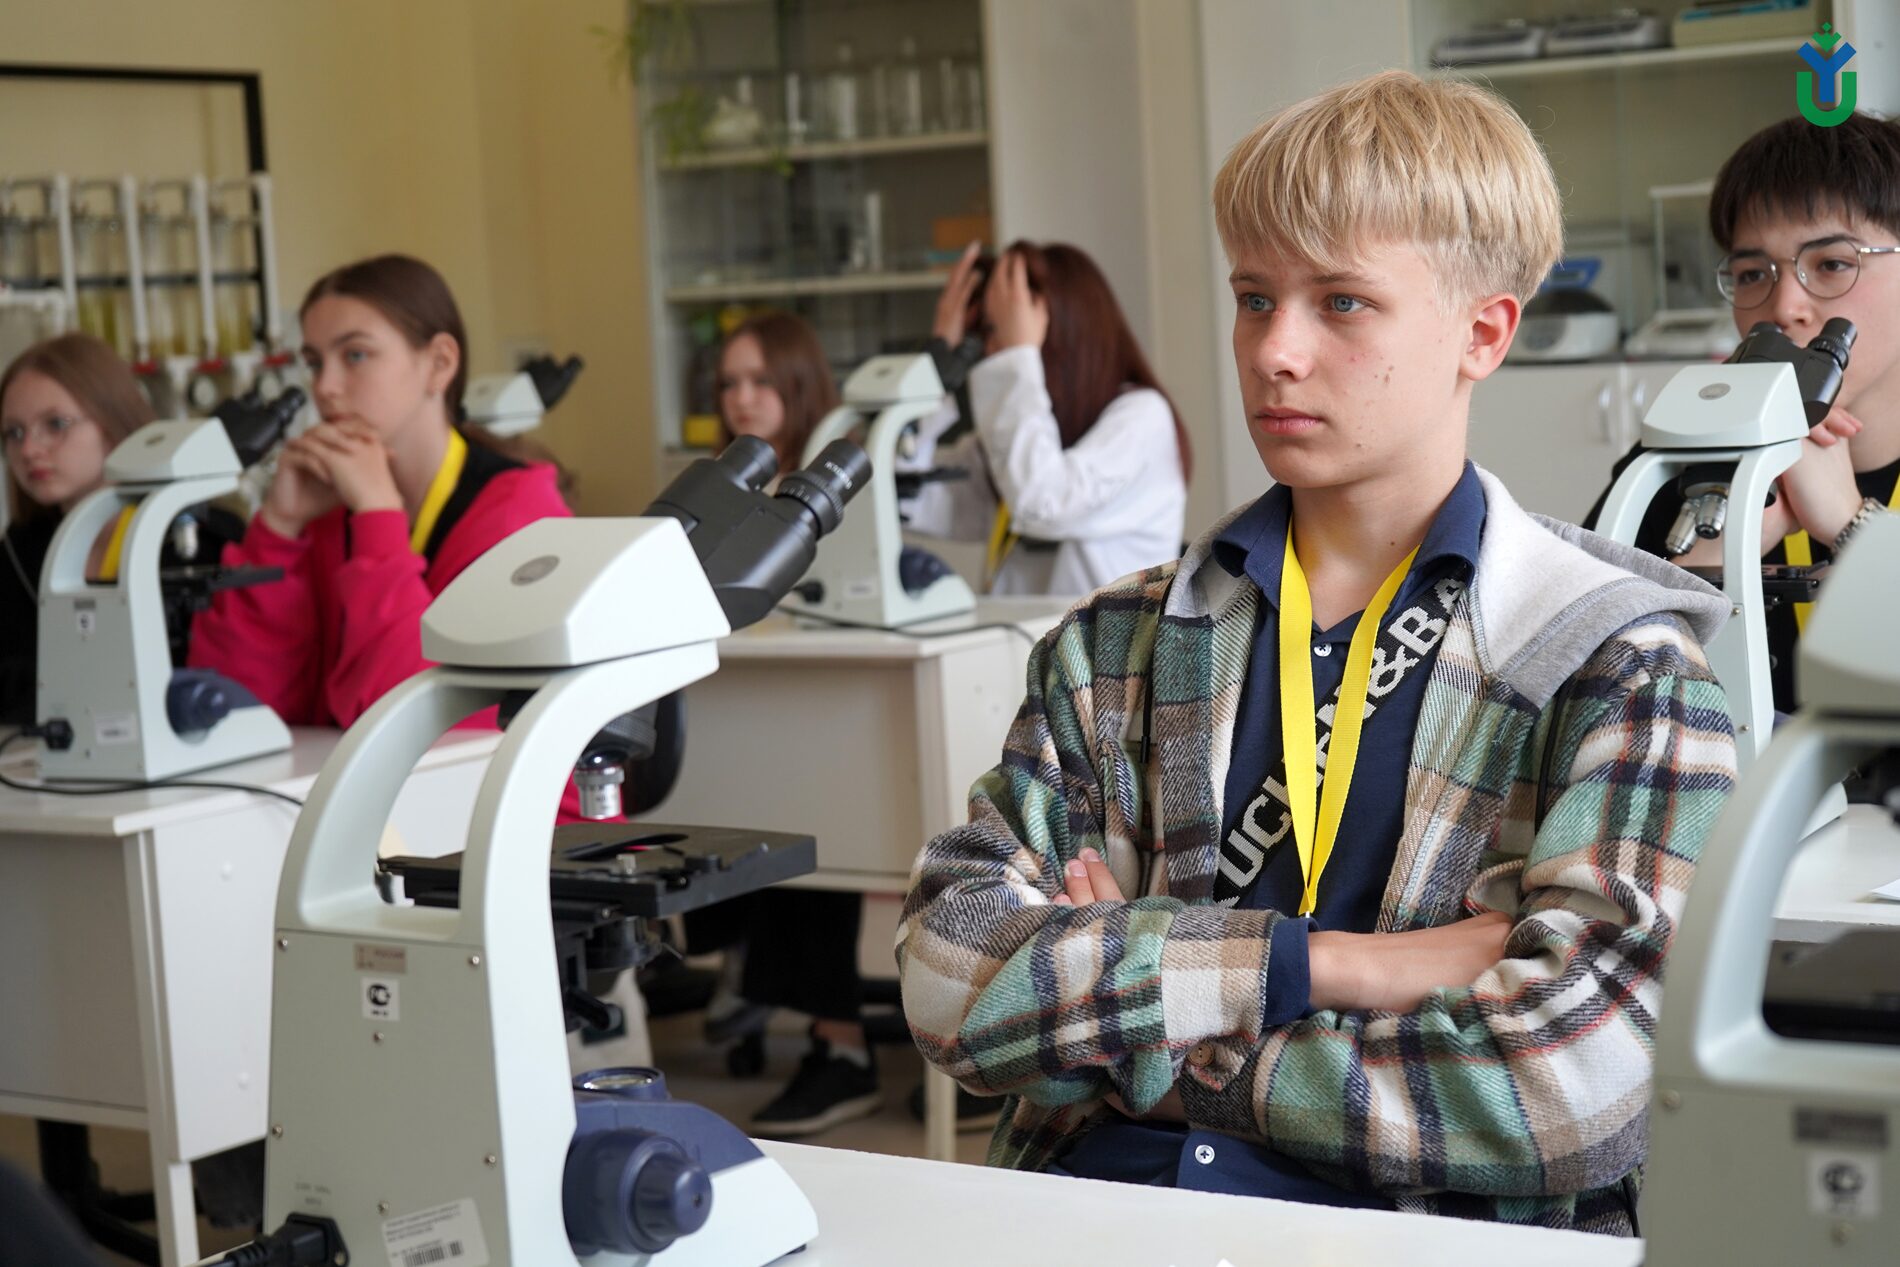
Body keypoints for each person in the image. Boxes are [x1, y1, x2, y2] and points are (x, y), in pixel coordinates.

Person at [897, 70, 1737, 1233]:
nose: (1274, 351)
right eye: (1254, 297)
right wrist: (1324, 965)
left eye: (1341, 302)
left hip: (1415, 1236)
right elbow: (947, 976)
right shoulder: (1115, 641)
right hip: (1109, 1218)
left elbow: (1570, 1092)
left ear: (1483, 332)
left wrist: (1131, 1023)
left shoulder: (1616, 663)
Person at [1584, 112, 1900, 713]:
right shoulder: (1676, 457)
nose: (1784, 306)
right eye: (1754, 273)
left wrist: (1851, 524)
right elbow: (1573, 697)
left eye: (1832, 263)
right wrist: (1713, 554)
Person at [189, 254, 571, 735]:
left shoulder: (523, 518)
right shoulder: (327, 513)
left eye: (355, 355)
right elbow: (232, 710)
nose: (325, 388)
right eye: (314, 363)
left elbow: (426, 729)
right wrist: (279, 530)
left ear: (439, 364)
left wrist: (378, 518)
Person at [904, 239, 1189, 595]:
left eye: (1000, 331)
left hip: (1105, 635)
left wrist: (1017, 360)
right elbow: (904, 497)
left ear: (1064, 331)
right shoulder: (1020, 436)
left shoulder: (1144, 417)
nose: (991, 350)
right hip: (1024, 631)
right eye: (987, 332)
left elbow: (1041, 504)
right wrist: (937, 364)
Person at [1, 334, 150, 723]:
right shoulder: (19, 548)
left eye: (55, 424)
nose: (29, 450)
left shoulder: (187, 534)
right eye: (14, 433)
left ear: (113, 421)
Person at [716, 310, 838, 472]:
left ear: (802, 383)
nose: (742, 400)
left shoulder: (841, 477)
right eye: (729, 383)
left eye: (762, 380)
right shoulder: (714, 476)